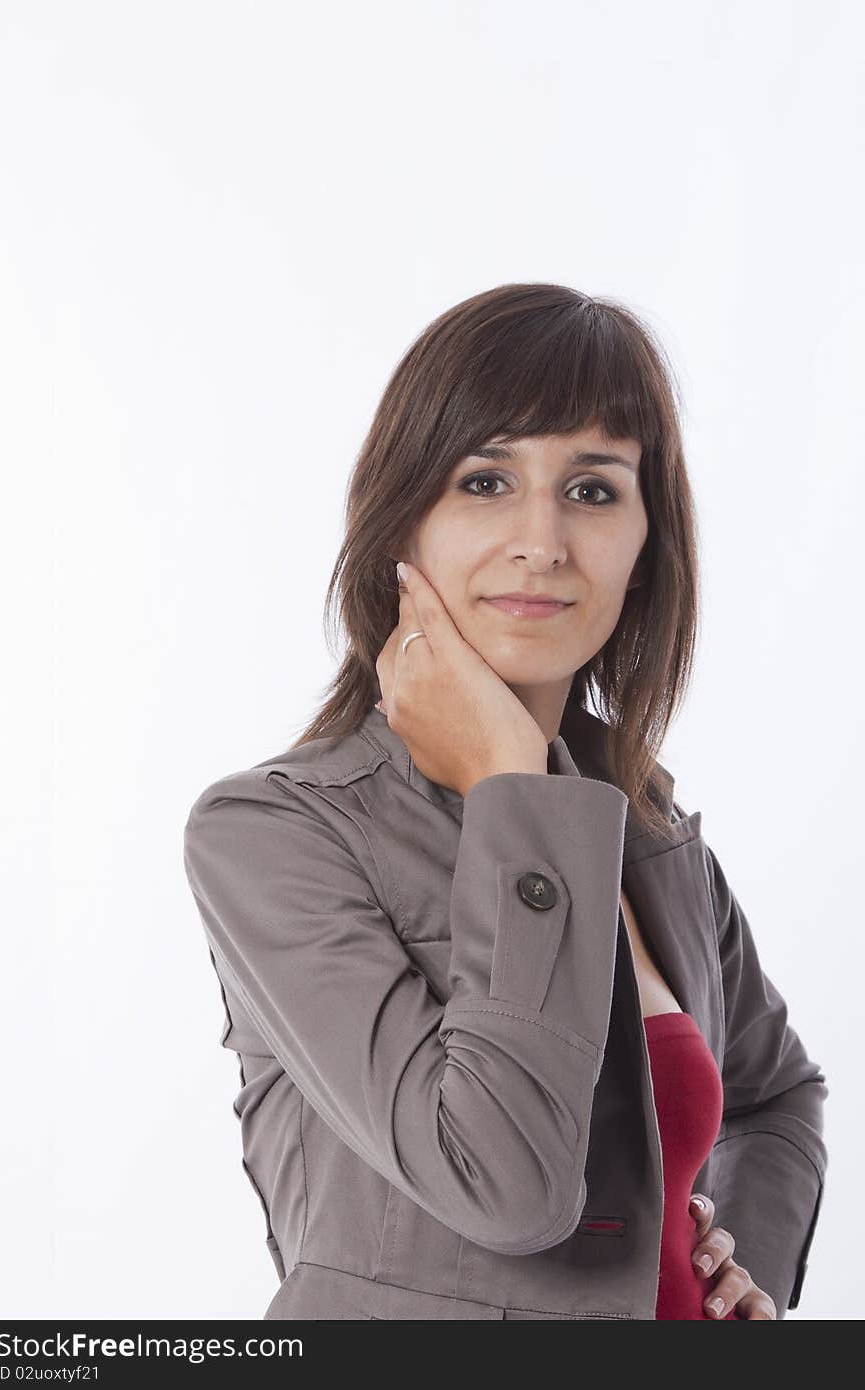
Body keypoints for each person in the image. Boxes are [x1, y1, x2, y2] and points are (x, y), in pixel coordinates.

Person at [182, 283, 828, 1320]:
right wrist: (509, 784)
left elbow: (776, 1093)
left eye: (592, 490)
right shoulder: (275, 835)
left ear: (644, 539)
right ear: (404, 520)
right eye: (485, 480)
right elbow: (505, 1188)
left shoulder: (647, 832)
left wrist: (737, 1270)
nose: (542, 542)